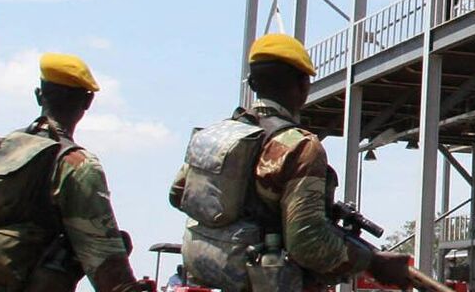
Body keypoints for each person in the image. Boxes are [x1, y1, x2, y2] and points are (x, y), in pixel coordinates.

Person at [171, 33, 411, 291]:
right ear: (303, 85)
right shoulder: (300, 146)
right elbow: (307, 243)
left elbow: (179, 194)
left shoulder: (215, 136)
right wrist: (372, 262)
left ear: (252, 82)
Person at [0, 53, 150, 292]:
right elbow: (106, 265)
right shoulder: (75, 165)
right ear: (88, 102)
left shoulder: (2, 149)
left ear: (38, 95)